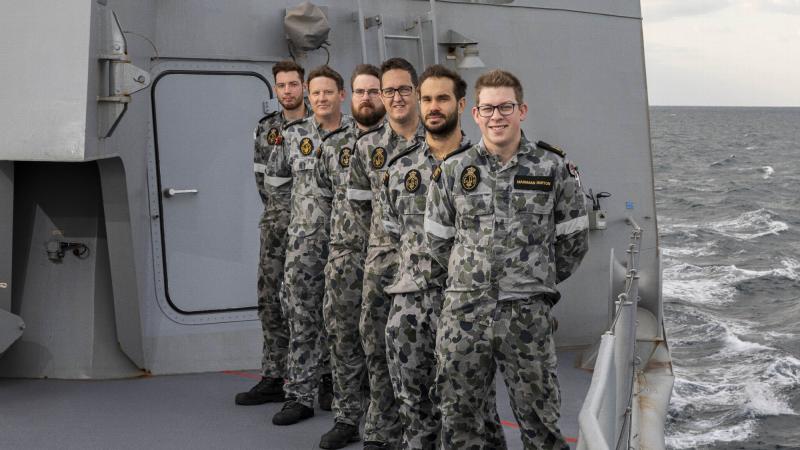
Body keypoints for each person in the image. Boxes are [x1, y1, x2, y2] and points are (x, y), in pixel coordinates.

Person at [424, 69, 589, 449]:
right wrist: (472, 281)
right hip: (464, 315)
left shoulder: (553, 169)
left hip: (526, 315)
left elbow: (574, 241)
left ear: (522, 110)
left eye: (505, 107)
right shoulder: (453, 170)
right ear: (476, 115)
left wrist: (533, 279)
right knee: (462, 418)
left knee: (540, 420)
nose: (497, 116)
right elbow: (437, 244)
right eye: (488, 108)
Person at [381, 64, 507, 450]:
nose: (434, 107)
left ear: (462, 104)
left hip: (469, 308)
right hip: (411, 307)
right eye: (427, 99)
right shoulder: (400, 169)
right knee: (414, 406)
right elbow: (389, 235)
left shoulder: (490, 167)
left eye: (443, 98)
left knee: (474, 409)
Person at [347, 57, 425, 450]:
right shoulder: (367, 148)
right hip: (382, 268)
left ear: (416, 92)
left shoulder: (440, 140)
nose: (396, 97)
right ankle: (382, 431)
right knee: (376, 348)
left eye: (403, 89)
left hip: (430, 270)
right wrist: (381, 246)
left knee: (427, 356)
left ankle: (424, 434)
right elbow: (360, 208)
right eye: (388, 90)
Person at [269, 65, 348, 426]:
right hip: (303, 245)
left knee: (343, 321)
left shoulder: (358, 139)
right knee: (301, 319)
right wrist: (292, 226)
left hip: (346, 245)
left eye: (327, 92)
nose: (320, 99)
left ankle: (336, 387)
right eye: (314, 93)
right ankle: (299, 394)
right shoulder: (292, 134)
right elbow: (277, 185)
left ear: (340, 95)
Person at [314, 64, 386, 449]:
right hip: (343, 259)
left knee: (380, 343)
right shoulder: (332, 146)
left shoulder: (402, 145)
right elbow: (323, 203)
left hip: (386, 262)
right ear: (350, 97)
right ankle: (346, 418)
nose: (366, 98)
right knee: (342, 339)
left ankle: (382, 421)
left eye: (374, 91)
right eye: (359, 92)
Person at [236, 60, 311, 407]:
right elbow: (260, 179)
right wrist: (278, 213)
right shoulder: (266, 128)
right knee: (270, 301)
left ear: (304, 86)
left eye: (293, 84)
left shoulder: (320, 126)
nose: (287, 91)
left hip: (313, 229)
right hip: (276, 227)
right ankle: (274, 374)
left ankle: (319, 376)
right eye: (281, 86)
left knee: (310, 303)